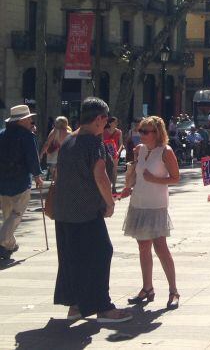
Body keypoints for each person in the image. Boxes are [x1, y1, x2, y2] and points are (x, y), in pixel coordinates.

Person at [52, 97, 133, 323]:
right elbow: (100, 175)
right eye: (105, 120)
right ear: (99, 118)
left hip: (64, 211)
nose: (106, 125)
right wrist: (110, 202)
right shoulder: (93, 142)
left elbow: (59, 174)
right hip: (86, 211)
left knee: (71, 257)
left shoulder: (69, 140)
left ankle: (75, 305)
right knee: (101, 253)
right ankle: (103, 307)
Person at [120, 116, 181, 309]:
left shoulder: (166, 151)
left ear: (157, 133)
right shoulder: (141, 150)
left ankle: (173, 290)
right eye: (140, 130)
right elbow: (137, 175)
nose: (141, 135)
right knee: (143, 247)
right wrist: (128, 187)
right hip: (138, 202)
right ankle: (147, 288)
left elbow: (175, 178)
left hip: (156, 205)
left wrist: (154, 179)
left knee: (160, 247)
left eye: (146, 131)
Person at [0, 105, 44, 260]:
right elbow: (32, 158)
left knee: (8, 215)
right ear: (22, 120)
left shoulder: (2, 134)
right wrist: (38, 175)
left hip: (3, 182)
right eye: (29, 118)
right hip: (20, 182)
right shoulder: (27, 136)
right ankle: (3, 240)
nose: (31, 121)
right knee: (16, 214)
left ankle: (9, 245)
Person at [39, 116, 71, 181]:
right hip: (66, 158)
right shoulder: (70, 133)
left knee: (56, 178)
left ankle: (56, 189)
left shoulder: (55, 131)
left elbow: (47, 143)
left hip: (54, 158)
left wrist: (41, 154)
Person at [102, 117, 123, 193]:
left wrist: (118, 152)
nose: (116, 124)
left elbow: (121, 144)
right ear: (110, 123)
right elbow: (101, 142)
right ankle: (107, 186)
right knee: (107, 170)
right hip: (106, 153)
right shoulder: (104, 131)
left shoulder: (119, 132)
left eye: (117, 122)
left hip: (115, 153)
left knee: (114, 170)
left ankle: (114, 187)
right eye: (115, 122)